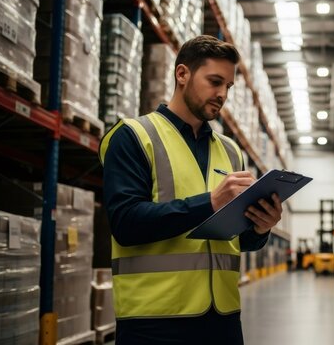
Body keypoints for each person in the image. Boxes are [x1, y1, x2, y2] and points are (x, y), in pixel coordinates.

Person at [100, 35, 283, 344]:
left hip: (223, 318)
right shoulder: (133, 136)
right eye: (214, 81)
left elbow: (238, 240)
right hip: (154, 320)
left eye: (228, 86)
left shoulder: (231, 151)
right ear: (182, 74)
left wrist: (260, 228)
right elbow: (126, 223)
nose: (222, 94)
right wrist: (210, 202)